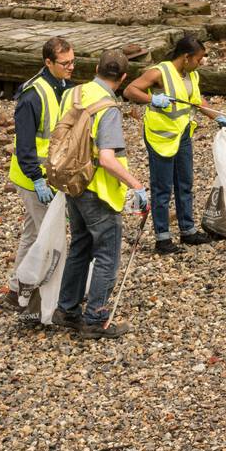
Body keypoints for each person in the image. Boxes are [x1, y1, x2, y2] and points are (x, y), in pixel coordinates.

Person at [52, 49, 149, 339]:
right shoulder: (108, 108)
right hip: (99, 190)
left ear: (95, 68)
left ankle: (67, 310)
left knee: (80, 246)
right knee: (107, 255)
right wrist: (136, 184)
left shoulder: (74, 93)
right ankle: (95, 318)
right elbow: (106, 158)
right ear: (122, 78)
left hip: (73, 182)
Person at [123, 34, 226, 254]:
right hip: (160, 136)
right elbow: (129, 90)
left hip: (182, 133)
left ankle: (188, 231)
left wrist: (217, 117)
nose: (202, 62)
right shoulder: (160, 72)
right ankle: (162, 239)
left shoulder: (192, 75)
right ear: (186, 57)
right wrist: (152, 99)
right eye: (199, 58)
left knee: (185, 183)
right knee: (162, 188)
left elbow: (197, 100)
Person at [3, 36, 75, 311]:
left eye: (72, 61)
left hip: (48, 176)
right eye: (65, 63)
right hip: (33, 179)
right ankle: (38, 296)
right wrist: (37, 178)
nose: (71, 67)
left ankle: (16, 291)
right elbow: (25, 145)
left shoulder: (62, 86)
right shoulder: (33, 95)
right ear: (48, 62)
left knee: (33, 234)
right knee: (47, 235)